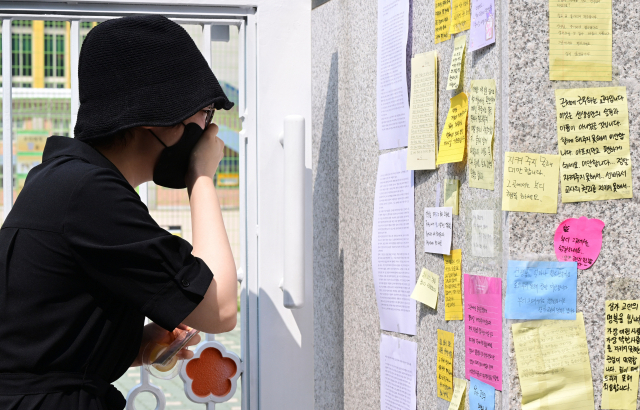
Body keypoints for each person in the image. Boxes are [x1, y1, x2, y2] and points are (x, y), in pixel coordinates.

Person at [0, 15, 237, 410]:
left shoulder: (67, 182)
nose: (208, 129)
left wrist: (139, 346)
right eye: (204, 113)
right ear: (155, 117)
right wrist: (202, 176)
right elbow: (222, 307)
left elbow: (41, 341)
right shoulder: (89, 194)